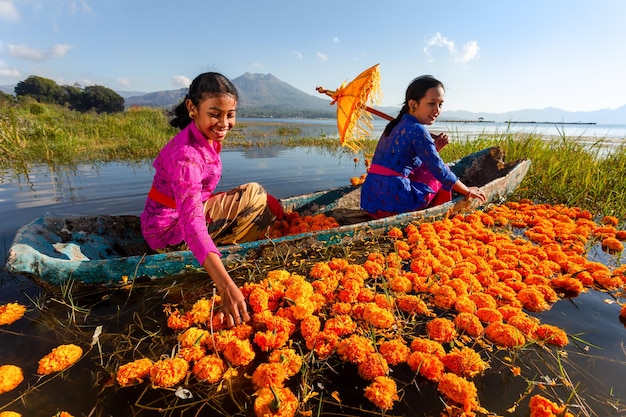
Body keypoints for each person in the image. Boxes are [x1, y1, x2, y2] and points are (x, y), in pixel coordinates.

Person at [140, 72, 283, 327]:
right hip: (167, 235)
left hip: (173, 219)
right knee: (254, 194)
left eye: (230, 114)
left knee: (262, 199)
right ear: (192, 108)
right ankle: (217, 260)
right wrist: (226, 286)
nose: (224, 123)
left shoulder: (203, 138)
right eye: (215, 114)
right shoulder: (187, 156)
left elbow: (196, 197)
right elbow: (191, 221)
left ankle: (220, 248)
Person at [360, 75, 486, 217]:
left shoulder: (395, 125)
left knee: (429, 169)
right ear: (413, 104)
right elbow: (440, 171)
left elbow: (403, 161)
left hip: (370, 201)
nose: (437, 110)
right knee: (443, 172)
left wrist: (434, 148)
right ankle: (438, 213)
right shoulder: (418, 130)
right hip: (393, 205)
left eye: (440, 104)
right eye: (431, 104)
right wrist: (467, 191)